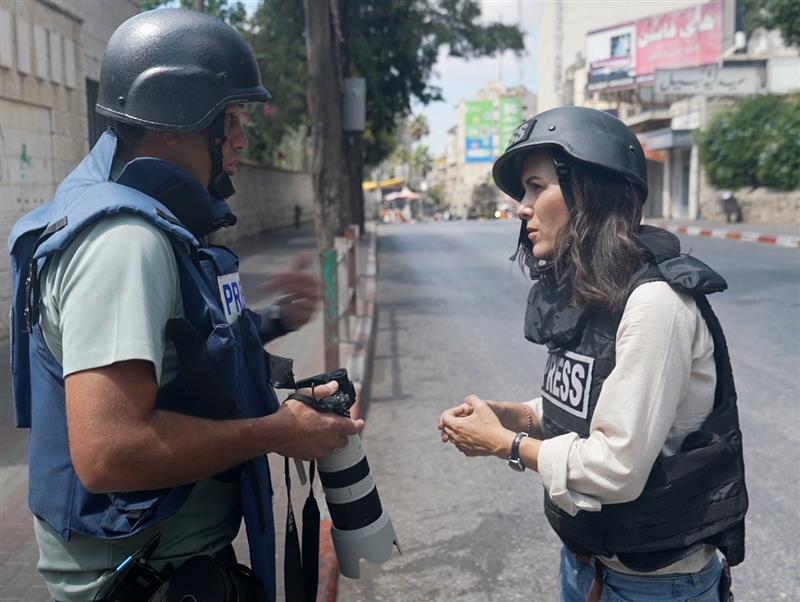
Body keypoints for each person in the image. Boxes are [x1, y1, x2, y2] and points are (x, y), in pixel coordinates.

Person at [8, 9, 363, 602]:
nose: (243, 139)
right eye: (232, 119)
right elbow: (110, 452)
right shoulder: (125, 242)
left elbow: (179, 353)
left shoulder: (136, 222)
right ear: (176, 119)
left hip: (169, 570)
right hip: (146, 582)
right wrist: (275, 432)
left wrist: (270, 324)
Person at [438, 106, 747, 602]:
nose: (522, 207)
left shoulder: (654, 304)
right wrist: (514, 416)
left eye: (537, 187)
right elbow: (589, 405)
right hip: (588, 564)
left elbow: (616, 467)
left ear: (589, 191)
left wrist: (506, 444)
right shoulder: (593, 291)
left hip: (655, 586)